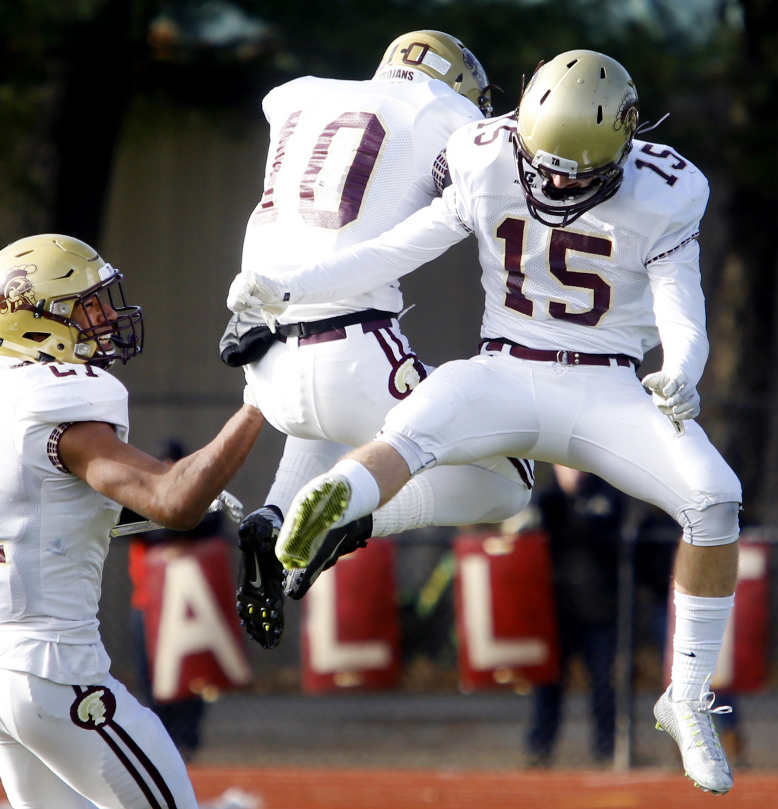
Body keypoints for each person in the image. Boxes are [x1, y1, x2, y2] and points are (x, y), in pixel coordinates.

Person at [228, 50, 742, 795]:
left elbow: (680, 304)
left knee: (715, 497)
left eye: (578, 167)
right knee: (411, 430)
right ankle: (328, 506)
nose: (557, 179)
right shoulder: (488, 152)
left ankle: (687, 697)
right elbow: (395, 249)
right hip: (502, 366)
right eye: (546, 161)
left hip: (608, 387)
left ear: (624, 143)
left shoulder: (667, 189)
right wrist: (291, 287)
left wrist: (682, 370)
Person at [228, 30, 533, 651]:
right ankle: (354, 520)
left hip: (264, 361)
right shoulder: (446, 112)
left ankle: (275, 514)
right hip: (353, 351)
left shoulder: (298, 96)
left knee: (329, 427)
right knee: (509, 481)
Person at [0, 234, 264, 809]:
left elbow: (55, 504)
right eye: (86, 305)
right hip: (55, 673)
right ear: (34, 320)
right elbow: (174, 502)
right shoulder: (63, 404)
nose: (104, 317)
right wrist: (262, 402)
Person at [125, 438, 222, 761]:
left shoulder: (204, 499)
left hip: (189, 605)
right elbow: (144, 529)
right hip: (148, 604)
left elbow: (212, 522)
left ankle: (187, 741)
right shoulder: (139, 499)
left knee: (193, 678)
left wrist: (179, 518)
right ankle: (158, 743)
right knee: (151, 678)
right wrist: (177, 523)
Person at [527, 465, 625, 767]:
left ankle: (606, 749)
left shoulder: (606, 495)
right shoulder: (545, 499)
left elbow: (600, 528)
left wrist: (571, 518)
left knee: (603, 685)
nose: (573, 472)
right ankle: (539, 749)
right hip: (556, 612)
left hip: (599, 611)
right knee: (548, 685)